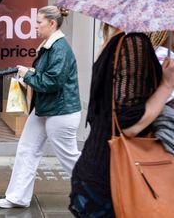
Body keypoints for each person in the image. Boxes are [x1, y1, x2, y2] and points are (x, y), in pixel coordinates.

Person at [68, 23, 174, 217]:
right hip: (114, 177)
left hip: (98, 172)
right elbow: (130, 125)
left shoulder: (115, 42)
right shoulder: (134, 42)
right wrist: (166, 85)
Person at [0, 5, 82, 208]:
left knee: (69, 158)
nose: (35, 26)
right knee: (27, 149)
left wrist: (28, 74)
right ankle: (18, 197)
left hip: (61, 112)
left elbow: (52, 82)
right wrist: (29, 74)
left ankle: (101, 191)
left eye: (39, 22)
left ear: (52, 23)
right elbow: (48, 77)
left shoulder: (60, 47)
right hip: (46, 108)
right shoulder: (50, 45)